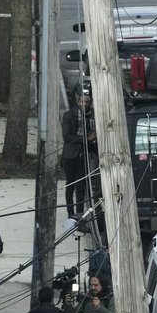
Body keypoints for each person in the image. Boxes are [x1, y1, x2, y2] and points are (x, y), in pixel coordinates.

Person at [62, 88, 97, 220]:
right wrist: (85, 139)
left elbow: (93, 136)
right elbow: (67, 137)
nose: (84, 104)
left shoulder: (91, 117)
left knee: (81, 185)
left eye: (87, 102)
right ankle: (70, 213)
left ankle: (80, 213)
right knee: (70, 184)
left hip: (85, 155)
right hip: (71, 155)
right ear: (78, 102)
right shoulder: (69, 115)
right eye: (82, 102)